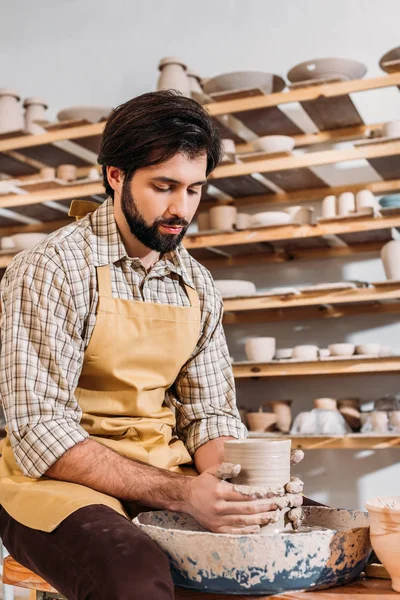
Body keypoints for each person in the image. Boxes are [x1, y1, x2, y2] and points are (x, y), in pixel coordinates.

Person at [0, 91, 302, 600]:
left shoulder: (197, 284)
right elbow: (40, 433)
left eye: (194, 190)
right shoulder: (51, 268)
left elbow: (209, 416)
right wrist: (185, 495)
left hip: (161, 468)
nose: (180, 209)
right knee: (134, 578)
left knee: (291, 541)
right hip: (56, 482)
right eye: (163, 187)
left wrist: (248, 481)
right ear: (115, 176)